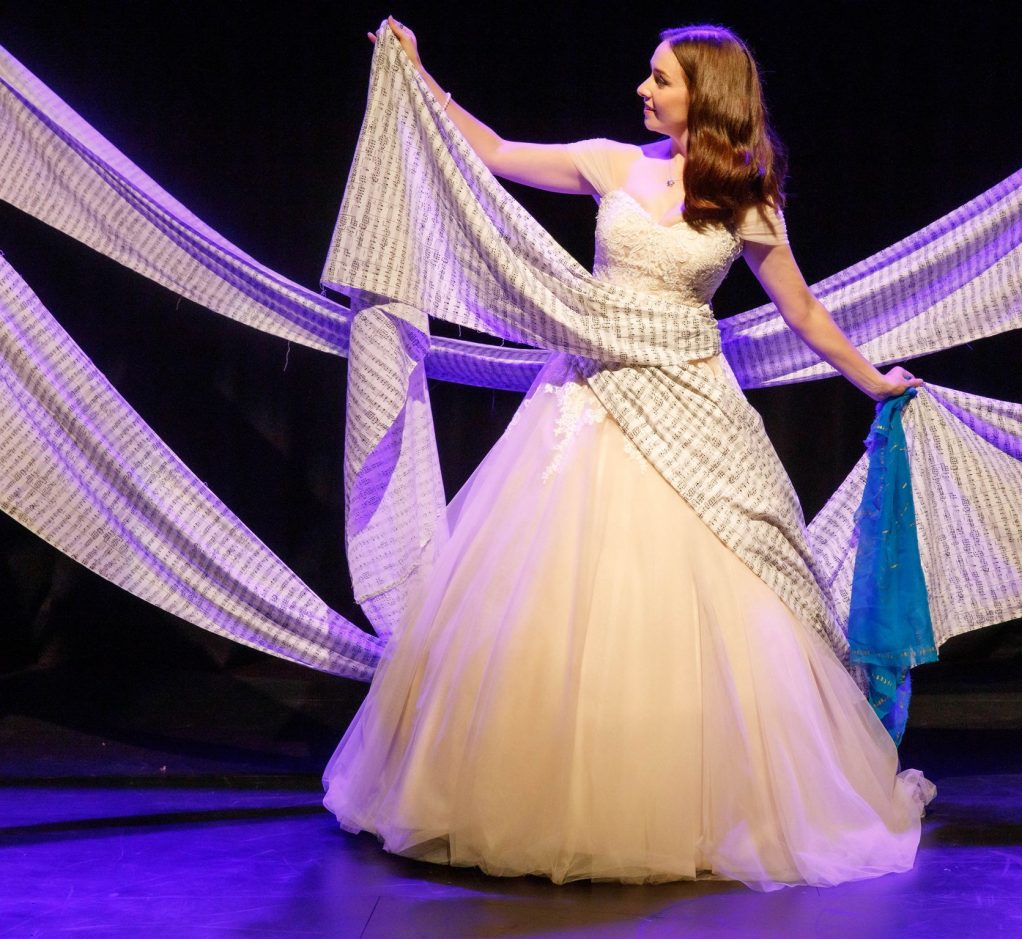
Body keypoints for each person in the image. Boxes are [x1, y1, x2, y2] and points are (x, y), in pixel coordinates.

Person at [322, 18, 934, 893]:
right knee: (562, 595)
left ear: (705, 95)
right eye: (648, 78)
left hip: (690, 401)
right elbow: (491, 151)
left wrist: (873, 379)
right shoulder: (611, 162)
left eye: (661, 80)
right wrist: (421, 79)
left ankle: (705, 806)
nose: (643, 92)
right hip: (592, 393)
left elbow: (799, 308)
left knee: (707, 596)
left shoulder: (747, 197)